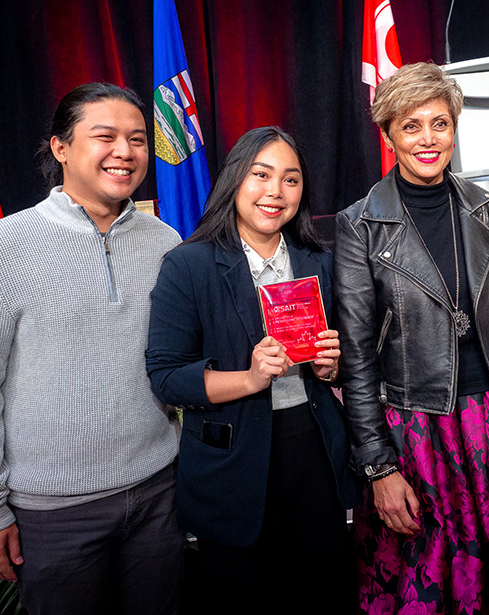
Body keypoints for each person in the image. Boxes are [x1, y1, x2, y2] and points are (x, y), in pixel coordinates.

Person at [0, 83, 183, 614]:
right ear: (60, 148)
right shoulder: (2, 245)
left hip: (157, 495)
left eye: (138, 139)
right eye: (106, 137)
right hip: (53, 513)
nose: (125, 151)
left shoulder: (165, 242)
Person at [333, 62, 489, 614]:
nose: (428, 139)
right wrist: (379, 466)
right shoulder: (359, 224)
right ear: (389, 135)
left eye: (440, 123)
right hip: (415, 430)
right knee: (430, 585)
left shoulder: (485, 207)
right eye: (411, 126)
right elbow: (357, 356)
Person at [145, 126, 356, 613]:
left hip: (314, 451)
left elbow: (346, 366)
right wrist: (250, 378)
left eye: (291, 179)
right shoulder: (188, 265)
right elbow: (166, 376)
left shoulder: (318, 261)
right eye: (261, 175)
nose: (275, 192)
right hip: (230, 458)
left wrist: (331, 367)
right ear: (235, 179)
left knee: (321, 590)